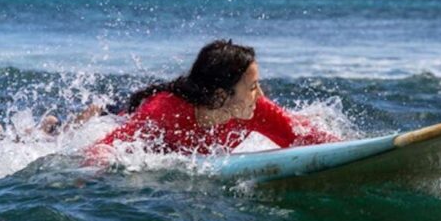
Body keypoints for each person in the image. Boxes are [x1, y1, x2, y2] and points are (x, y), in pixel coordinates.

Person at [89, 39, 339, 158]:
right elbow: (106, 145)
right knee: (97, 116)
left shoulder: (254, 110)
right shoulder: (167, 110)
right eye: (252, 87)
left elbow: (306, 139)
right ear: (222, 95)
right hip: (121, 115)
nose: (260, 95)